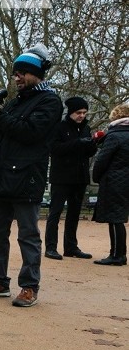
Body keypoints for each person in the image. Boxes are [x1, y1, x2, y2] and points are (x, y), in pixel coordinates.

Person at [0, 44, 62, 307]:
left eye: (22, 73)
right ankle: (0, 280)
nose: (16, 78)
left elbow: (28, 133)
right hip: (2, 176)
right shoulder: (15, 102)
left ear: (35, 74)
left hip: (27, 177)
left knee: (28, 235)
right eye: (16, 73)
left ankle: (29, 286)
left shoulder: (50, 101)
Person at [44, 96, 97, 260]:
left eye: (84, 112)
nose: (81, 116)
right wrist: (78, 143)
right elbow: (54, 149)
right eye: (78, 113)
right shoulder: (59, 128)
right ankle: (51, 247)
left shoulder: (86, 128)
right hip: (61, 177)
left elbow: (88, 153)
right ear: (71, 112)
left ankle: (71, 247)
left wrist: (93, 144)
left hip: (80, 177)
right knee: (55, 213)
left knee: (74, 214)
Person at [91, 103, 129, 266]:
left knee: (115, 218)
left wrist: (97, 176)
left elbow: (102, 160)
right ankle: (119, 254)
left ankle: (117, 255)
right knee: (118, 217)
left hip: (114, 179)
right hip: (125, 179)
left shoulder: (115, 135)